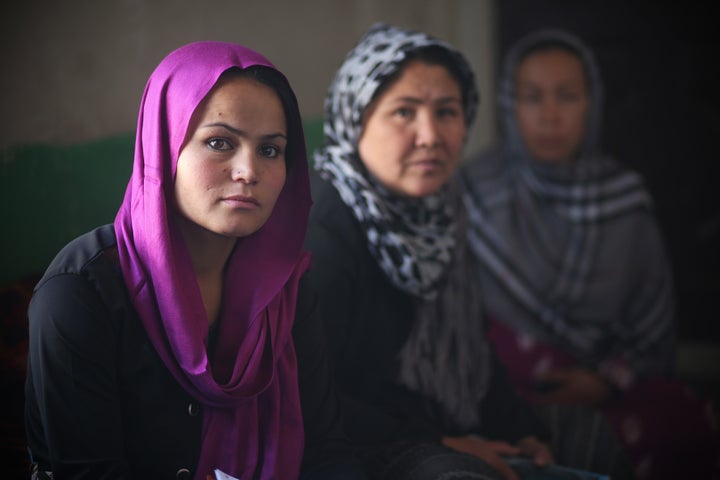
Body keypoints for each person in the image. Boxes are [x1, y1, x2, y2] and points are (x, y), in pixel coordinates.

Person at [24, 41, 368, 480]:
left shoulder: (286, 292)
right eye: (219, 142)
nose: (249, 171)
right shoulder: (79, 295)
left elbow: (326, 452)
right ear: (163, 148)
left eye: (270, 150)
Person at [304, 23, 629, 480]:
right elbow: (306, 392)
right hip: (358, 437)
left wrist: (524, 432)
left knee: (585, 437)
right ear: (354, 120)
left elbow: (471, 349)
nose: (430, 135)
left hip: (437, 418)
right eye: (404, 112)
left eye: (447, 112)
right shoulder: (325, 224)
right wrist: (437, 441)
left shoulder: (443, 210)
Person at [461, 28, 720, 480]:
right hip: (495, 391)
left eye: (568, 96)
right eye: (532, 97)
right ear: (509, 105)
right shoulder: (473, 194)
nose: (550, 115)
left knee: (684, 426)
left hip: (612, 389)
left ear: (593, 103)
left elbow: (651, 321)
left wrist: (605, 380)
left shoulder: (625, 198)